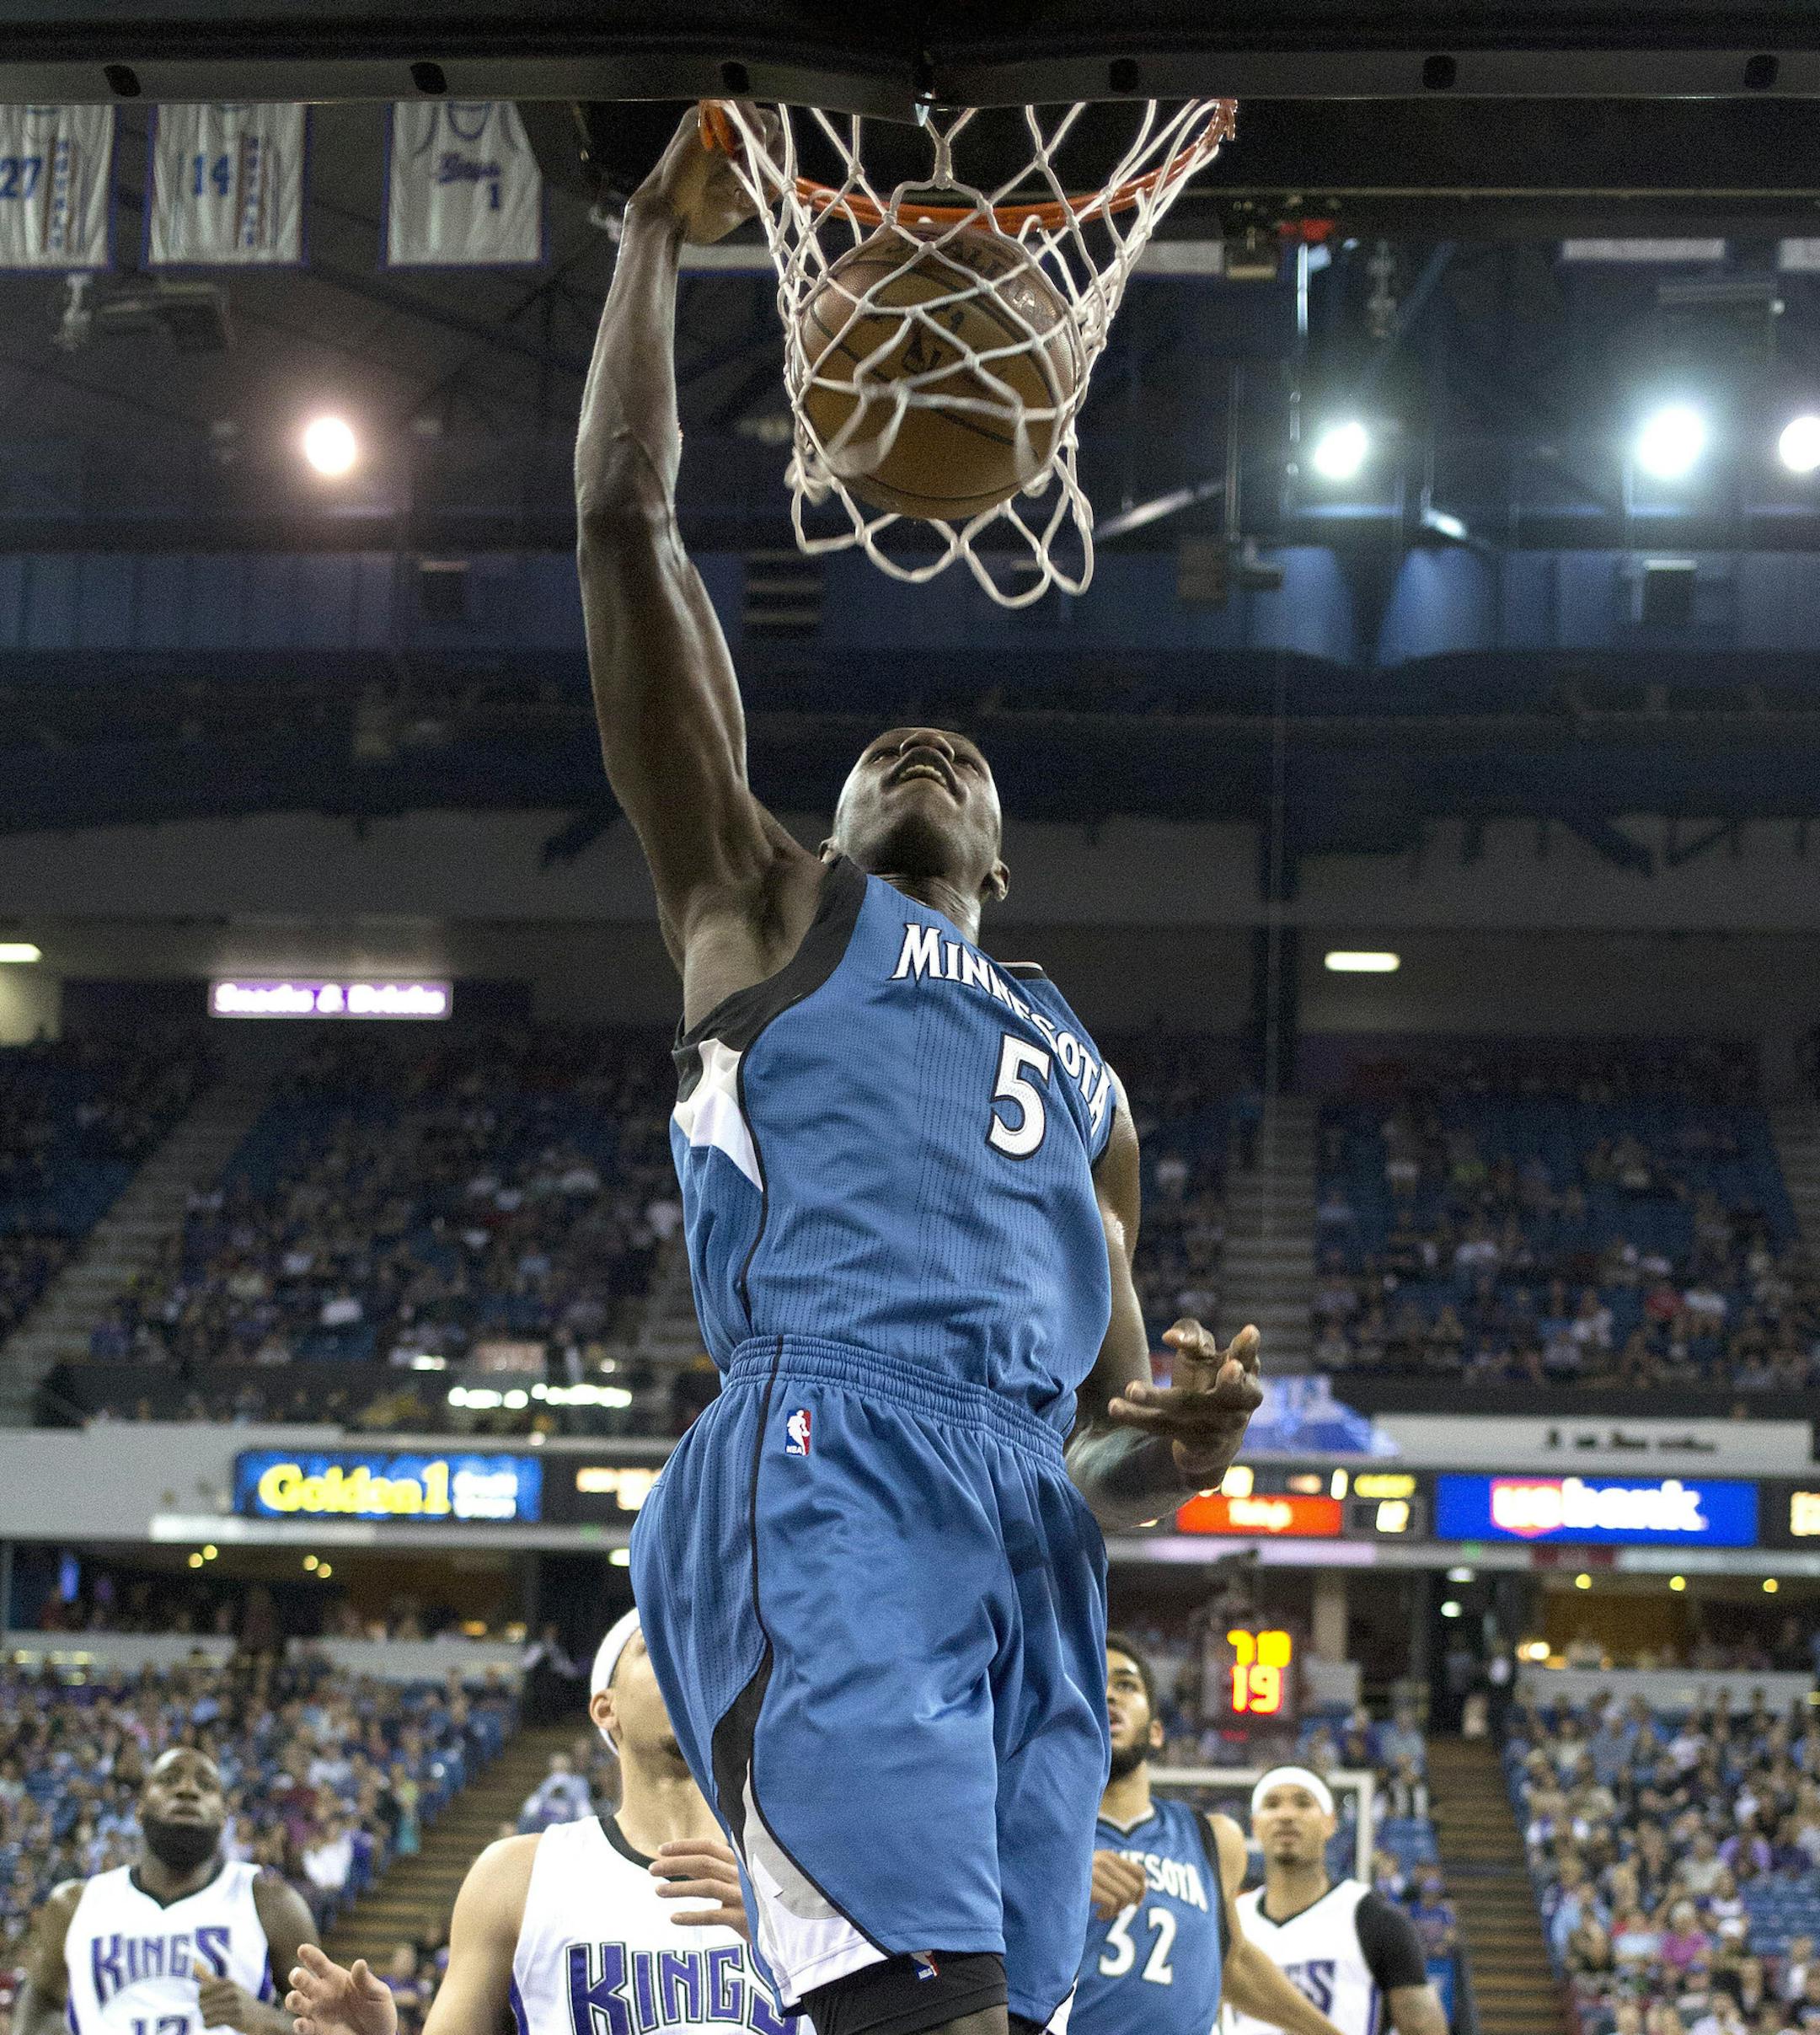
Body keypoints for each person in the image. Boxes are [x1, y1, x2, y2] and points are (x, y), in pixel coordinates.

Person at [575, 107, 1266, 2035]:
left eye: (959, 760)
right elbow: (621, 534)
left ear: (1004, 860)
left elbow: (1095, 1464)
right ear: (832, 813)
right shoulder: (761, 905)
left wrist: (1179, 1449)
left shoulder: (1084, 1082)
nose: (919, 749)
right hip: (822, 1483)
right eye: (882, 750)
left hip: (1017, 1553)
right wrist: (651, 243)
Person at [285, 1610, 798, 2035]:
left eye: (703, 1652)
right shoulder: (517, 1874)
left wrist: (790, 1939)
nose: (688, 1661)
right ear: (605, 1708)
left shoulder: (807, 1878)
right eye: (655, 1646)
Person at [1063, 1639, 1347, 2035]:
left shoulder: (1212, 1836)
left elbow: (1232, 1962)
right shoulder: (1042, 1837)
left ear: (1157, 1732)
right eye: (1094, 1684)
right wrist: (1060, 1879)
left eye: (1127, 1685)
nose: (1109, 1694)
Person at [15, 1746, 316, 2035]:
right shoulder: (74, 1904)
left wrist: (269, 2022)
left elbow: (326, 2024)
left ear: (224, 1817)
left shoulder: (272, 1903)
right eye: (169, 1780)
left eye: (206, 1784)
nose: (187, 1789)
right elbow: (41, 2002)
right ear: (140, 1808)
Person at [1228, 1769, 1449, 2035]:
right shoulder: (1229, 1921)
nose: (1286, 1815)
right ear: (1255, 1826)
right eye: (1272, 1804)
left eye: (1303, 1803)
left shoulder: (1374, 1919)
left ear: (1330, 1823)